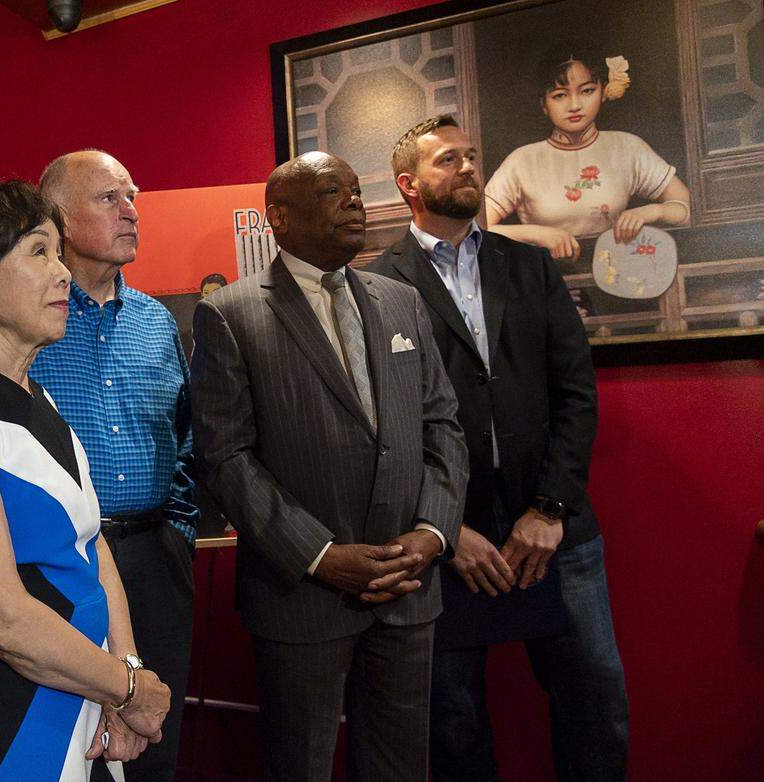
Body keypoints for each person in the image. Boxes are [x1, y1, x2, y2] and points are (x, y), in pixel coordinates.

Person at [192, 150, 468, 782]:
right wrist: (318, 555)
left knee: (402, 766)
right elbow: (225, 455)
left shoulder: (401, 302)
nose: (354, 202)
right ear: (280, 218)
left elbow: (442, 425)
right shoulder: (231, 314)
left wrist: (431, 534)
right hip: (301, 595)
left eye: (355, 190)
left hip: (407, 587)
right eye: (330, 191)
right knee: (300, 765)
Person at [367, 114, 628, 781]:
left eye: (471, 156)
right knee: (451, 722)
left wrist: (551, 509)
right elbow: (379, 429)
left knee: (596, 703)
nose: (466, 167)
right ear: (408, 184)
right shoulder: (377, 287)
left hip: (554, 531)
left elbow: (575, 391)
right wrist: (444, 529)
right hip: (447, 542)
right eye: (446, 159)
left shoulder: (528, 266)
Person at [0, 176, 170, 781]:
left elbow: (90, 543)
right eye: (38, 252)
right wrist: (129, 688)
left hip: (86, 689)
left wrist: (122, 672)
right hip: (8, 708)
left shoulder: (34, 392)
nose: (64, 273)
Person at [29, 150, 197, 782]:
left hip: (155, 557)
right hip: (59, 562)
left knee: (156, 736)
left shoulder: (156, 320)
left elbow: (185, 441)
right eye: (109, 199)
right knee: (76, 746)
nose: (131, 212)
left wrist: (177, 538)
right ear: (58, 219)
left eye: (133, 197)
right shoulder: (25, 319)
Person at [485, 49, 690, 261]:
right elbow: (473, 230)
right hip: (544, 280)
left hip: (621, 273)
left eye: (587, 91)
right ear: (544, 105)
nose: (575, 105)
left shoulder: (626, 147)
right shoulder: (522, 161)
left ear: (603, 92)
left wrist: (651, 212)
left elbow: (688, 209)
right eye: (560, 95)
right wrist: (537, 234)